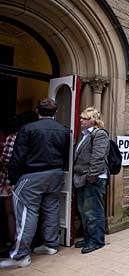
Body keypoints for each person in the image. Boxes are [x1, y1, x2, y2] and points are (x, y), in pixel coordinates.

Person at [0, 99, 70, 268]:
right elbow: (66, 155)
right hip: (56, 173)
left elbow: (19, 156)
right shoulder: (63, 130)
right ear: (55, 112)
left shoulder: (28, 128)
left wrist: (13, 178)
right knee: (51, 207)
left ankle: (20, 256)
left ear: (38, 110)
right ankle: (51, 245)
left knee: (26, 213)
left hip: (32, 175)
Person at [73, 107, 110, 254]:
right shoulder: (84, 135)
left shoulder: (99, 134)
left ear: (93, 120)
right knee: (84, 211)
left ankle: (96, 241)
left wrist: (91, 177)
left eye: (84, 118)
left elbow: (98, 157)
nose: (81, 120)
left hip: (93, 179)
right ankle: (89, 237)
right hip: (83, 178)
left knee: (93, 211)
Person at [0, 112, 38, 250]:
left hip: (11, 180)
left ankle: (15, 244)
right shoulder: (35, 138)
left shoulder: (13, 137)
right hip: (31, 179)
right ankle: (28, 242)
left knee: (12, 214)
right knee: (27, 213)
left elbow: (5, 159)